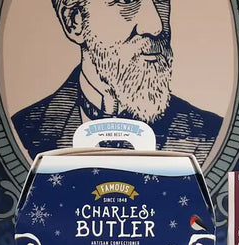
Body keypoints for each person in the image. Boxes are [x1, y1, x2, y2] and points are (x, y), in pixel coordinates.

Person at [12, 0, 222, 165]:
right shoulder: (23, 133)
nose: (156, 26)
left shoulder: (210, 136)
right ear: (74, 22)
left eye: (160, 0)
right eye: (126, 1)